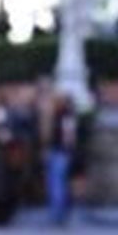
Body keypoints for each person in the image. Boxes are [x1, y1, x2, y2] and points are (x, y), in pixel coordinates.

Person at [42, 91, 86, 227]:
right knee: (58, 183)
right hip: (60, 152)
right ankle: (59, 213)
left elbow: (68, 137)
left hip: (59, 152)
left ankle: (57, 214)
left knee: (57, 184)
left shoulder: (64, 116)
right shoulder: (65, 116)